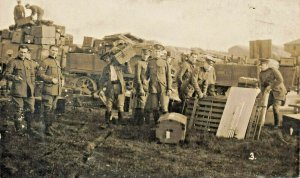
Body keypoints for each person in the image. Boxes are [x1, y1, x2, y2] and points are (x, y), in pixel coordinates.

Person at [5, 45, 38, 134]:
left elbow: (32, 75)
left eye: (24, 52)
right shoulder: (13, 62)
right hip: (18, 90)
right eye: (21, 52)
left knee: (31, 109)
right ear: (18, 51)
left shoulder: (30, 62)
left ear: (27, 52)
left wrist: (32, 85)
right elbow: (7, 74)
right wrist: (15, 77)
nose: (23, 54)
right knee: (18, 110)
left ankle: (29, 128)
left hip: (29, 90)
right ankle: (18, 129)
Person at [99, 52, 132, 127]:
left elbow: (129, 71)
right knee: (108, 105)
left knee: (120, 105)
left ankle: (121, 121)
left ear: (111, 58)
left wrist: (127, 62)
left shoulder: (119, 66)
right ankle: (107, 121)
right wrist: (100, 89)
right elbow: (101, 80)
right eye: (105, 59)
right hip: (110, 88)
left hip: (120, 87)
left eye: (107, 58)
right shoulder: (105, 69)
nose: (106, 60)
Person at [38, 45, 63, 136]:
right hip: (48, 90)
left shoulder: (57, 61)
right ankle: (47, 129)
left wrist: (62, 79)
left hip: (56, 90)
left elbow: (59, 74)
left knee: (53, 109)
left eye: (56, 51)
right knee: (47, 109)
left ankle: (49, 126)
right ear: (49, 50)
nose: (54, 52)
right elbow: (40, 74)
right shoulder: (45, 61)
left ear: (58, 52)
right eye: (52, 50)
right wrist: (50, 79)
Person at [144, 44, 172, 124]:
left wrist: (169, 88)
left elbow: (169, 77)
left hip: (163, 88)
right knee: (154, 107)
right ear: (153, 52)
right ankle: (157, 124)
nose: (157, 53)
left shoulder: (165, 63)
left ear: (161, 53)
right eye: (155, 51)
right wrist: (144, 81)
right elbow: (146, 75)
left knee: (164, 107)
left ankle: (166, 124)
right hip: (153, 88)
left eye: (158, 51)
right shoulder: (150, 62)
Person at [259, 58, 287, 129]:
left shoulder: (273, 70)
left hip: (279, 92)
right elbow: (262, 85)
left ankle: (276, 125)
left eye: (262, 65)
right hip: (270, 93)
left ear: (266, 65)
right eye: (260, 65)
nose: (260, 67)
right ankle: (261, 123)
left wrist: (270, 86)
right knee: (264, 106)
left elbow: (280, 80)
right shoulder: (261, 73)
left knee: (275, 107)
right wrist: (262, 95)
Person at [133, 48, 151, 125]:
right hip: (141, 87)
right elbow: (137, 77)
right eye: (144, 54)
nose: (145, 56)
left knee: (144, 105)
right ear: (141, 54)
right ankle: (139, 123)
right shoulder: (139, 63)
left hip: (147, 87)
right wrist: (140, 88)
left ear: (149, 55)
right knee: (141, 105)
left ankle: (138, 122)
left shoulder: (149, 64)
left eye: (147, 55)